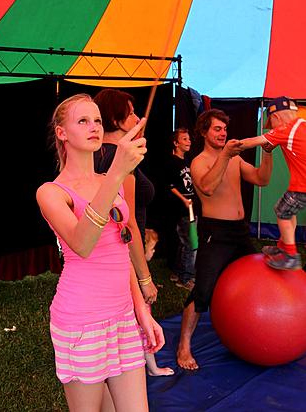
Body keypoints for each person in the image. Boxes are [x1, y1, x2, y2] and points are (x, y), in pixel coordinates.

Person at [36, 94, 164, 412]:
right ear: (62, 133)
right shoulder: (51, 192)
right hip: (81, 323)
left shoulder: (111, 181)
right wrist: (118, 173)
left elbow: (120, 251)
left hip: (121, 318)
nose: (94, 127)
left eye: (97, 120)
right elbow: (82, 243)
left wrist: (141, 311)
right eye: (83, 121)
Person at [177, 108, 273, 371]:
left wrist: (267, 151)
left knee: (254, 281)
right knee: (203, 290)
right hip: (215, 233)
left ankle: (249, 332)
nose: (223, 133)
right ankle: (184, 346)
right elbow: (207, 187)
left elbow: (262, 179)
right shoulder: (199, 161)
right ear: (204, 132)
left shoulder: (234, 159)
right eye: (217, 129)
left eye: (224, 129)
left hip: (240, 232)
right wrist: (226, 155)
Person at [93, 89, 173, 377]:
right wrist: (145, 278)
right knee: (135, 312)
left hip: (106, 253)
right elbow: (128, 225)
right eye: (130, 113)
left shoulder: (99, 153)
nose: (138, 117)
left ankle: (145, 366)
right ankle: (135, 371)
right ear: (116, 119)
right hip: (122, 253)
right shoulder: (117, 157)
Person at [239, 96, 305, 270]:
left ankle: (290, 255)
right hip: (301, 185)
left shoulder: (285, 129)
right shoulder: (302, 125)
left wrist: (235, 146)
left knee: (282, 212)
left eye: (271, 123)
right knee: (290, 211)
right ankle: (283, 247)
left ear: (276, 117)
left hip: (302, 186)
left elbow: (255, 141)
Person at [167, 128, 197, 290]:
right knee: (192, 243)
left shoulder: (188, 161)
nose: (189, 142)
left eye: (189, 139)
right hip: (183, 209)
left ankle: (177, 273)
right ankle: (185, 279)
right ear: (176, 143)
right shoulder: (172, 162)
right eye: (184, 139)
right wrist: (184, 200)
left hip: (191, 207)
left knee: (185, 242)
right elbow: (170, 186)